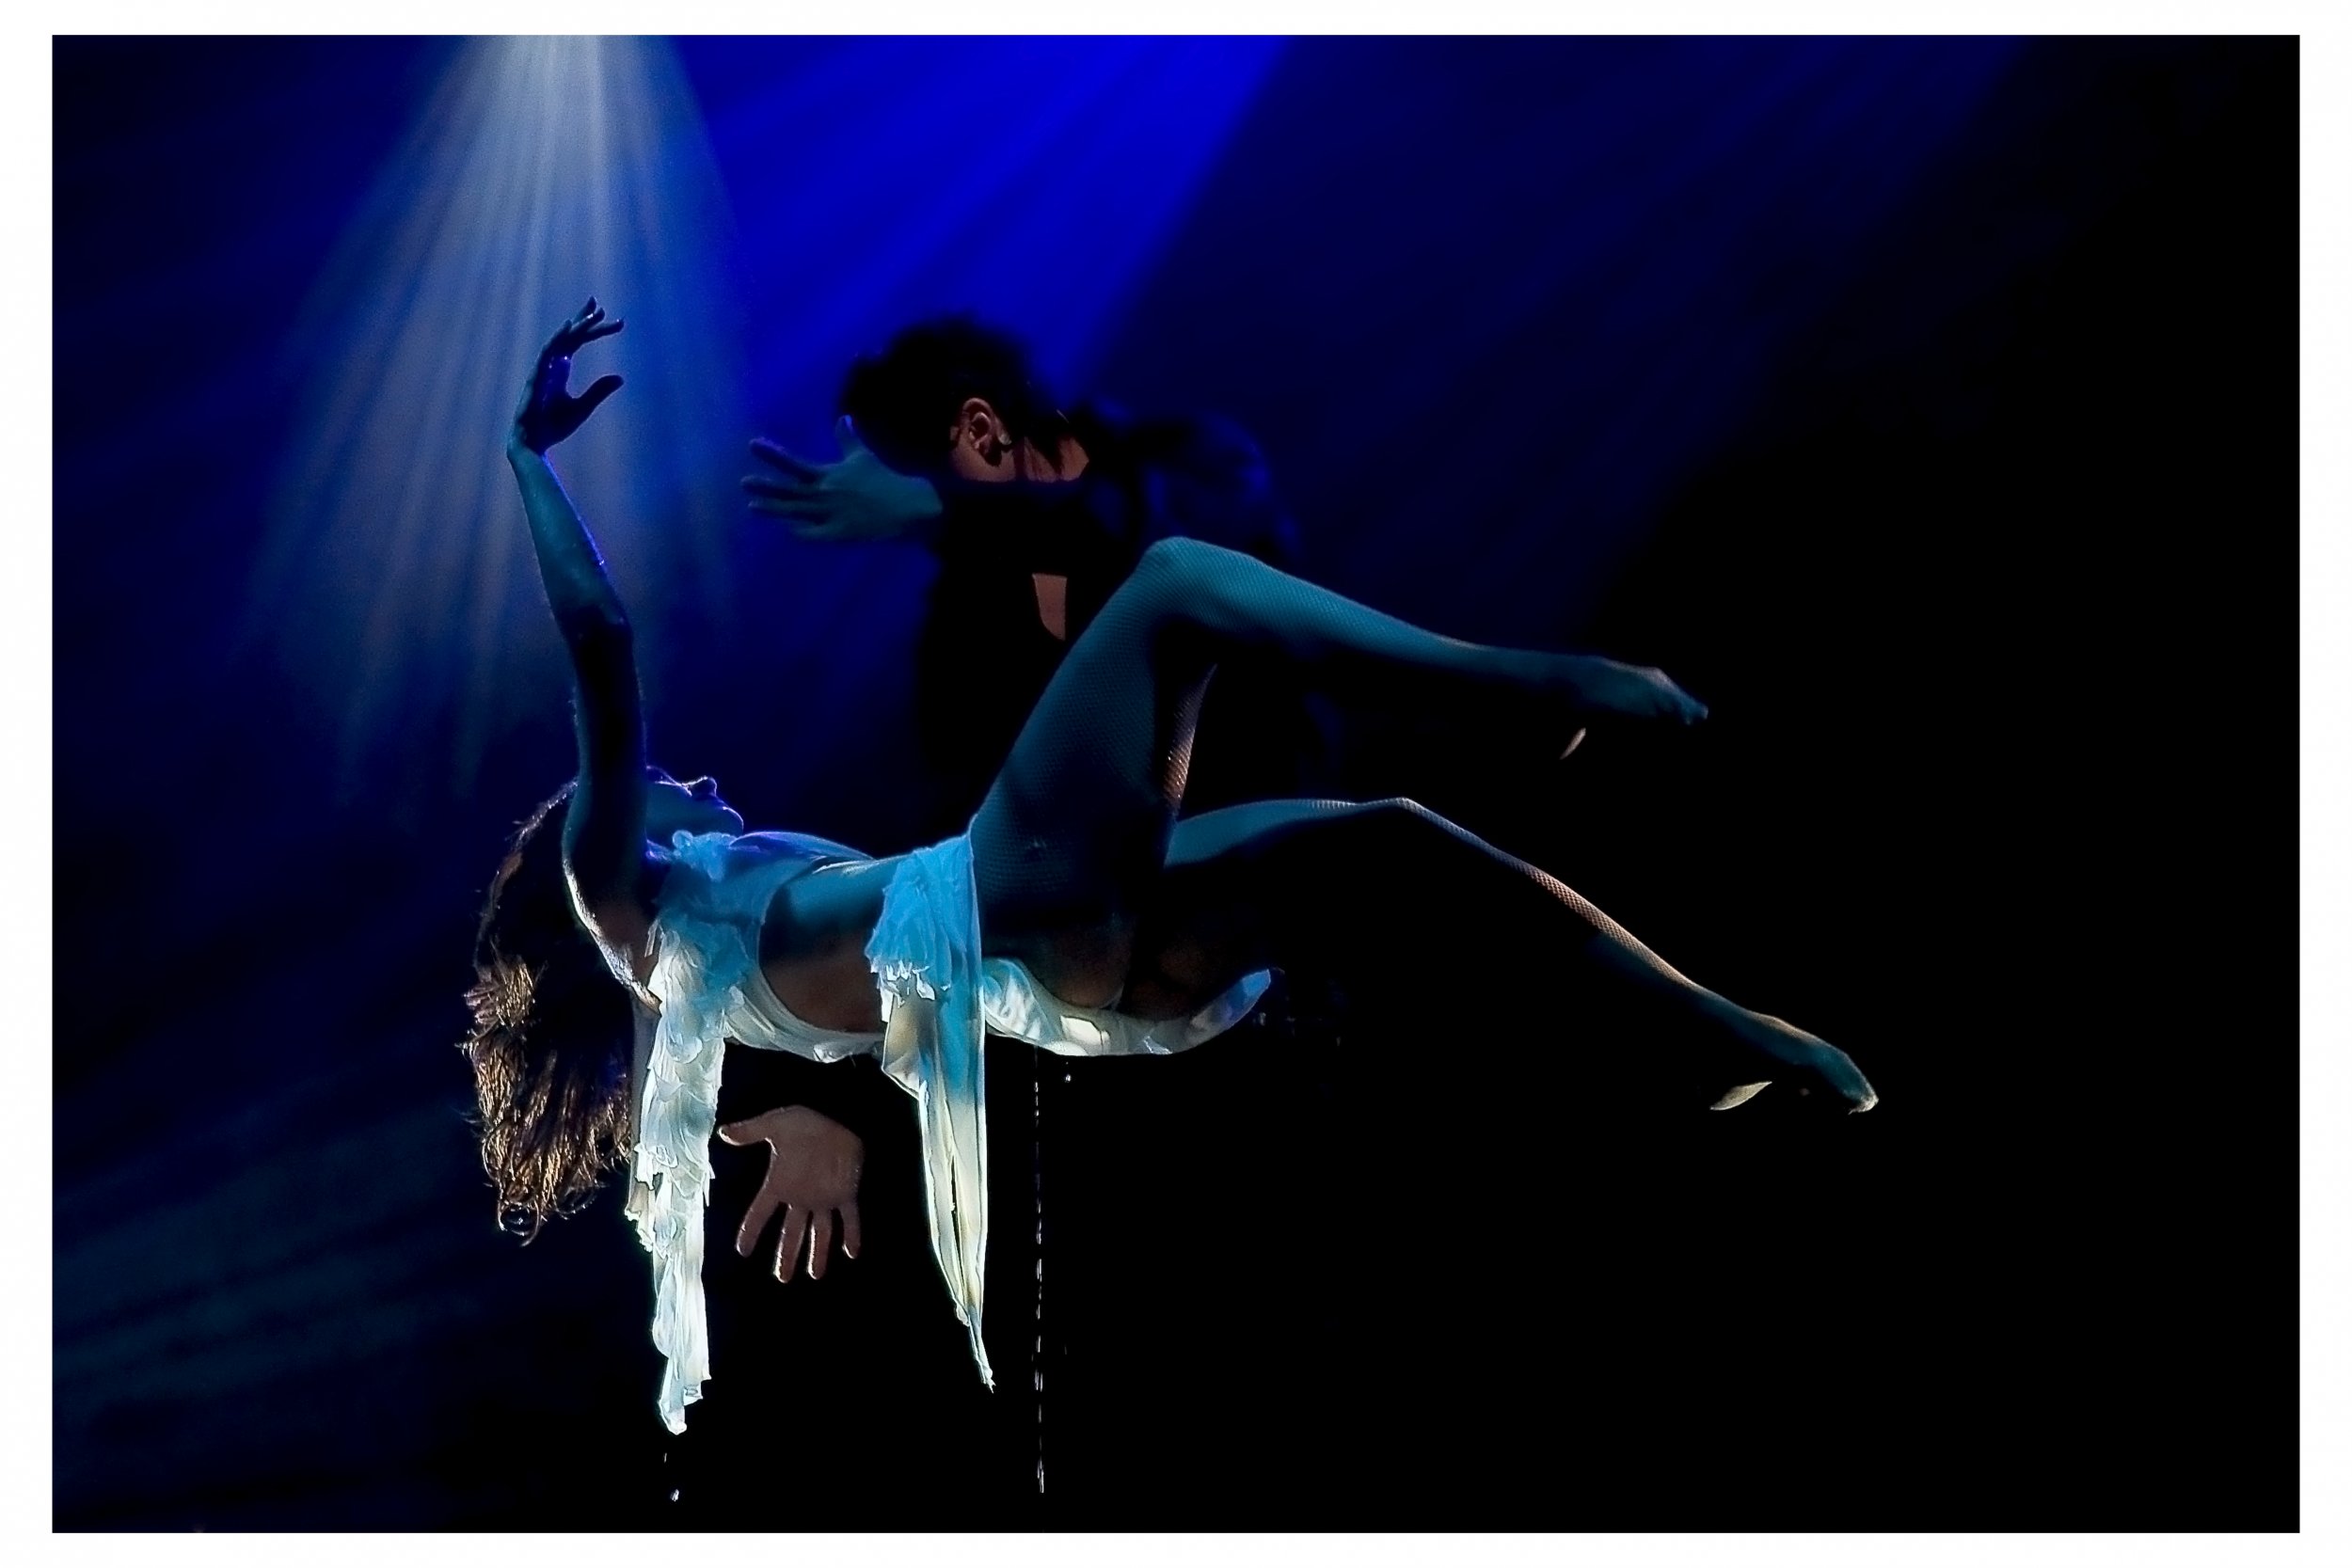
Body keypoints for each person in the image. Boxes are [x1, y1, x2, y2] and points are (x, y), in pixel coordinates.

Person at [463, 300, 1877, 1438]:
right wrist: (528, 460)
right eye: (671, 797)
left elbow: (707, 1075)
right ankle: (1533, 685)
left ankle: (1719, 1037)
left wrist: (781, 1121)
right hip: (1015, 906)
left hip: (1083, 974)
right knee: (1178, 585)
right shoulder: (621, 899)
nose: (700, 789)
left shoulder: (693, 992)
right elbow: (603, 646)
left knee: (1386, 836)